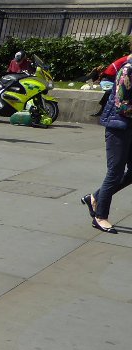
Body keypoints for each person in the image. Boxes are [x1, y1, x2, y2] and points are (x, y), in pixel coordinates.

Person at [83, 56, 131, 234]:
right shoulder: (128, 70)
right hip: (118, 126)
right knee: (115, 171)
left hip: (129, 126)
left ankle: (95, 196)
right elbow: (121, 105)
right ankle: (100, 216)